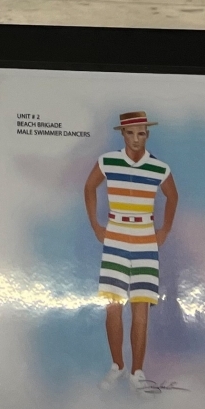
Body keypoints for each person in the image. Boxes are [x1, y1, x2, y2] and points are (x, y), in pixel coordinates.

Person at [83, 111, 180, 390]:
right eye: (130, 133)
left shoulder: (159, 167)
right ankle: (118, 366)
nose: (136, 139)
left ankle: (137, 372)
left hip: (145, 239)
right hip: (115, 236)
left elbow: (172, 196)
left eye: (141, 133)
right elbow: (89, 187)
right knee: (113, 306)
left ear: (147, 134)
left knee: (141, 306)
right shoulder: (107, 161)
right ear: (122, 134)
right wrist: (96, 225)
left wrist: (164, 230)